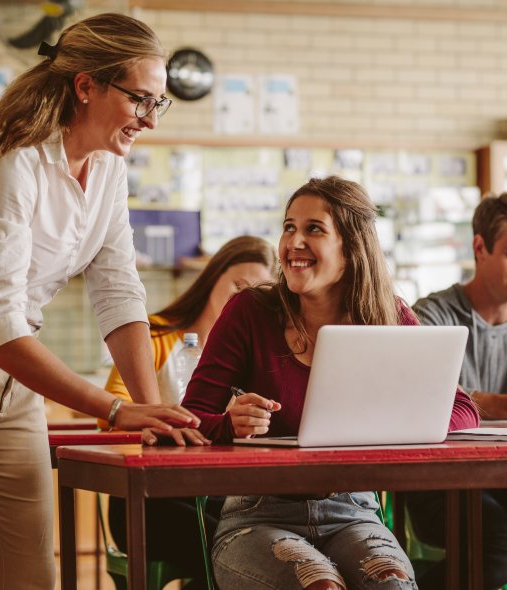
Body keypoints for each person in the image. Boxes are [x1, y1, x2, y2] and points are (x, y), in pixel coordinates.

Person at [0, 14, 201, 590]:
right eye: (140, 99)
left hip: (15, 368)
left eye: (159, 103)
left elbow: (119, 290)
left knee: (28, 573)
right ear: (86, 85)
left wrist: (151, 414)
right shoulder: (16, 164)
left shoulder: (110, 170)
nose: (148, 119)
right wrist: (116, 410)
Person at [181, 176, 479, 590]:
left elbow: (462, 407)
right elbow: (189, 417)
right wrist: (230, 425)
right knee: (318, 584)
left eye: (313, 229)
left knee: (391, 583)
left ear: (351, 248)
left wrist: (407, 420)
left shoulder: (386, 315)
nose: (293, 243)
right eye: (289, 227)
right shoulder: (249, 311)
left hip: (354, 511)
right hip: (257, 514)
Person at [103, 234, 277, 589]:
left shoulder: (254, 357)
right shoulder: (154, 336)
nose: (242, 300)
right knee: (251, 554)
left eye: (255, 294)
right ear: (212, 278)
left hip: (220, 496)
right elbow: (113, 415)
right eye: (237, 286)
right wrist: (154, 426)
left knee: (263, 542)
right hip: (151, 498)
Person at [406, 193, 507, 590]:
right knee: (497, 540)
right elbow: (432, 395)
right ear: (479, 248)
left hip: (500, 475)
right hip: (438, 479)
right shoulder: (432, 315)